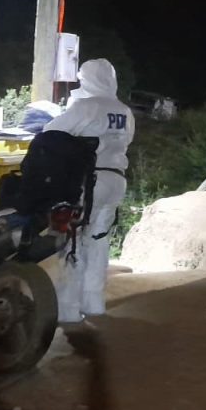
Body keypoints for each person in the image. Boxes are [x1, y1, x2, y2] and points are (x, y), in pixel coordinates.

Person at [43, 58, 134, 322]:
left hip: (89, 181)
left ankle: (68, 309)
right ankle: (94, 302)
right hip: (116, 178)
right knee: (98, 240)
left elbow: (50, 132)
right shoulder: (124, 111)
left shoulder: (86, 106)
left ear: (89, 79)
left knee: (74, 240)